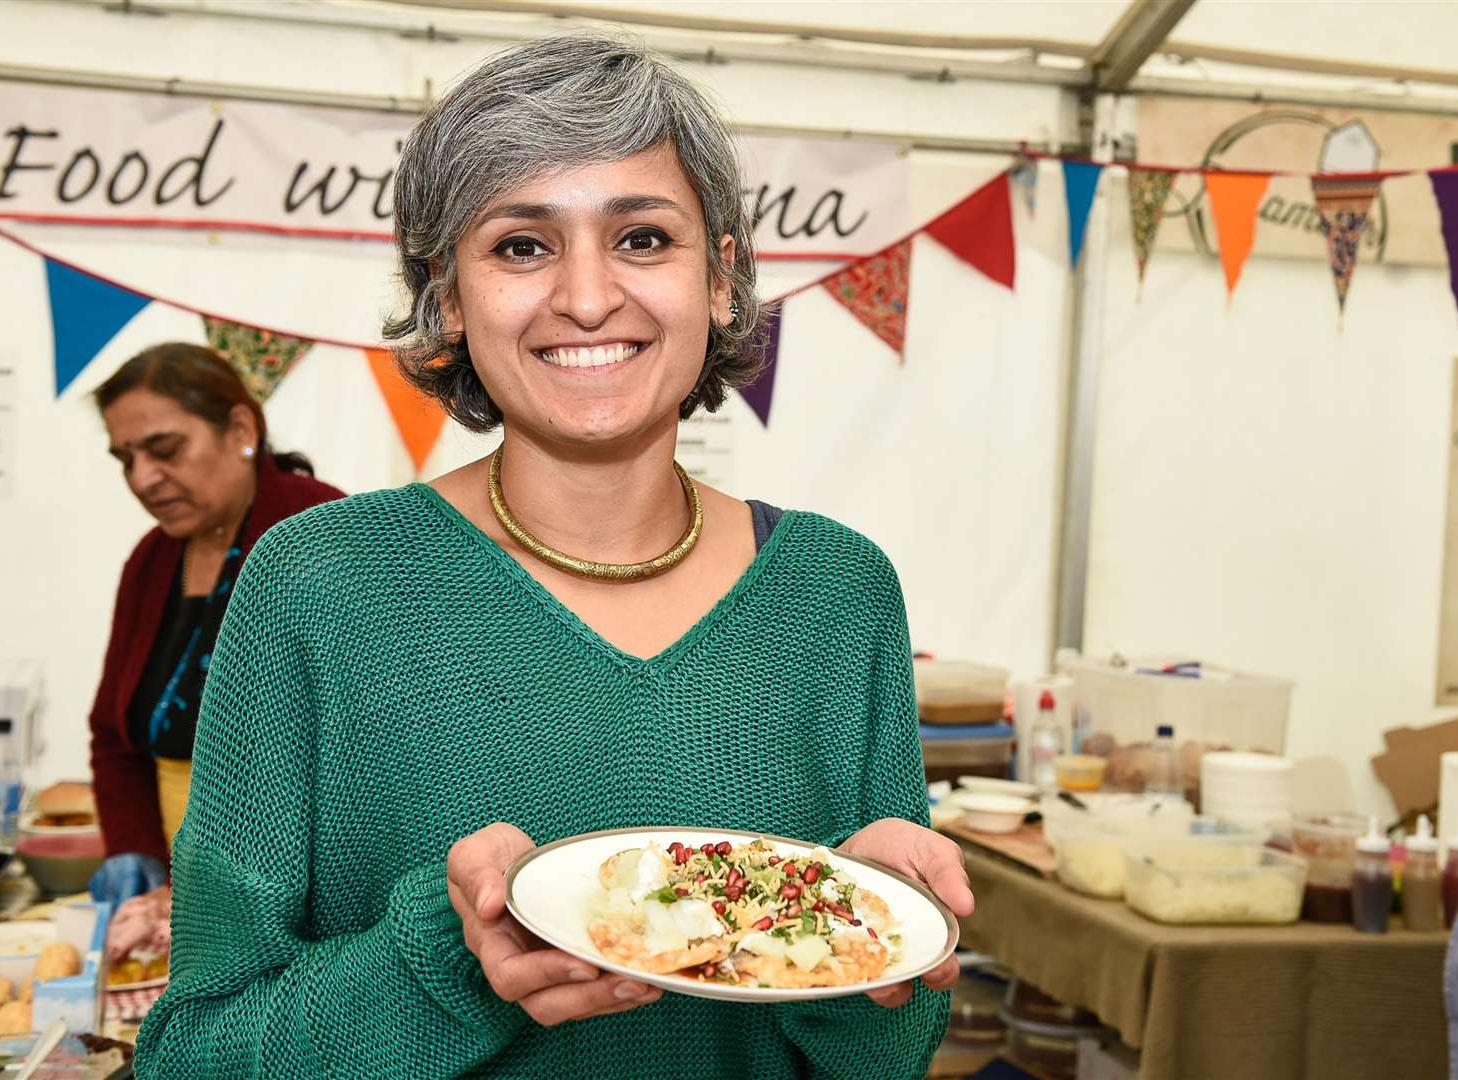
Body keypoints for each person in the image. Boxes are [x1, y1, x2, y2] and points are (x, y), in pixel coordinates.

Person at [135, 33, 974, 1078]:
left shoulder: (837, 593)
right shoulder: (317, 586)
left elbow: (893, 1053)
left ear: (720, 278)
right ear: (446, 297)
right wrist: (450, 962)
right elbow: (195, 1056)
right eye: (522, 246)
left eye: (642, 238)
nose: (586, 297)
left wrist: (861, 939)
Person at [86, 343, 344, 913]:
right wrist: (134, 849)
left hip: (295, 897)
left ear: (240, 429)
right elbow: (113, 735)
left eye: (164, 449)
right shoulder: (151, 562)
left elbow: (358, 754)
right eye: (125, 459)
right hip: (172, 897)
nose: (144, 479)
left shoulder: (325, 538)